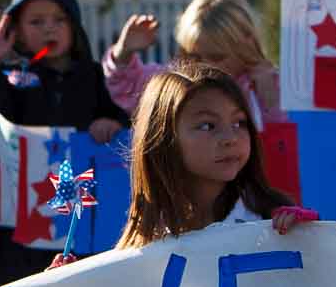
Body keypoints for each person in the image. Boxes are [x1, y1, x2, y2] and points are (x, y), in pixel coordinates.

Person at [0, 0, 129, 284]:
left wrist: (112, 122)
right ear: (15, 31)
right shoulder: (8, 76)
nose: (50, 28)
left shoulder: (93, 75)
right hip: (22, 214)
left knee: (75, 285)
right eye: (36, 22)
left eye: (59, 19)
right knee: (23, 283)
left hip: (78, 214)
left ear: (74, 27)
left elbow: (121, 113)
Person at [118, 65, 315, 247]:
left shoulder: (272, 217)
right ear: (163, 138)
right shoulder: (146, 240)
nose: (230, 139)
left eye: (239, 123)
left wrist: (309, 234)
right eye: (207, 125)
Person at [102, 0, 284, 125]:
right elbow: (128, 86)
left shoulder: (268, 86)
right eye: (194, 56)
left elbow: (291, 147)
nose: (204, 66)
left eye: (217, 56)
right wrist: (123, 53)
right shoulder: (177, 83)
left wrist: (269, 99)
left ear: (246, 47)